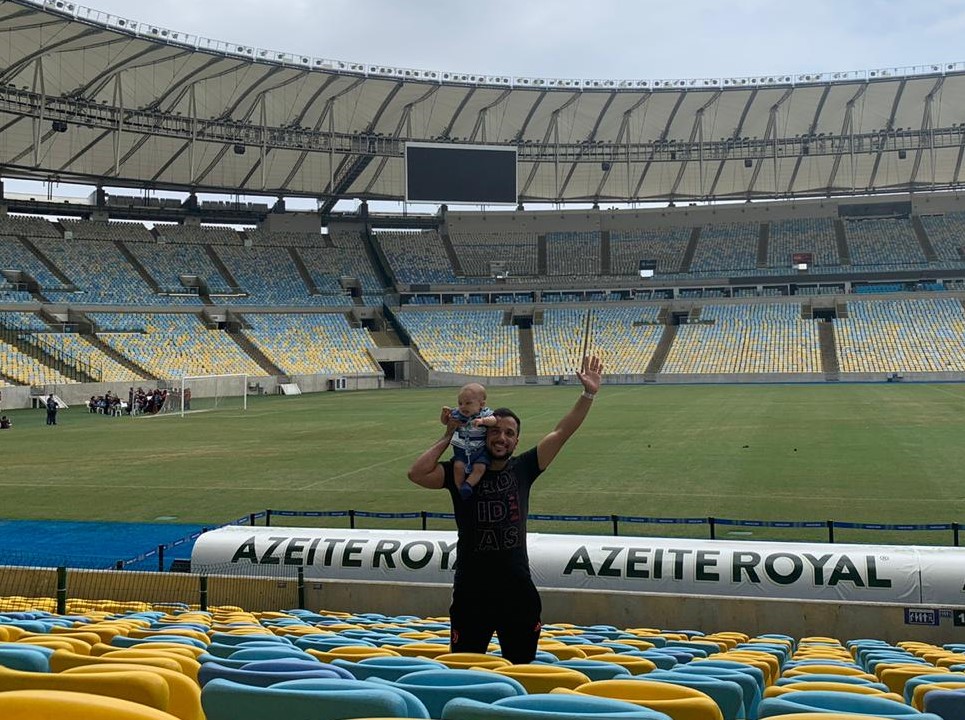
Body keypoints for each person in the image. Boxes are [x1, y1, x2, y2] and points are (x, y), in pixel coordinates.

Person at [407, 355, 603, 664]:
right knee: (466, 674)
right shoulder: (460, 471)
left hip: (518, 596)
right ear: (484, 433)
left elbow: (562, 432)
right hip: (471, 596)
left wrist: (588, 394)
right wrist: (450, 434)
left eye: (509, 433)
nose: (501, 438)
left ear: (516, 441)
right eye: (496, 431)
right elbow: (417, 473)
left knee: (522, 669)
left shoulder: (524, 468)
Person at [445, 383, 497, 499]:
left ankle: (468, 484)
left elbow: (494, 420)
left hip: (479, 450)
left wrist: (483, 421)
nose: (463, 407)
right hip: (462, 450)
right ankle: (460, 489)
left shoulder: (484, 413)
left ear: (481, 405)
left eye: (468, 403)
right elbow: (446, 422)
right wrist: (445, 416)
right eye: (460, 403)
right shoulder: (457, 414)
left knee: (480, 467)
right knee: (458, 467)